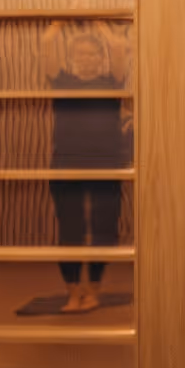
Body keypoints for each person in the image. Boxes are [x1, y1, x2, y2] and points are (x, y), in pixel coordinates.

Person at [44, 20, 128, 314]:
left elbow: (119, 47)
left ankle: (93, 289)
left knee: (104, 228)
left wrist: (98, 22)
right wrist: (60, 21)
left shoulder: (111, 81)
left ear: (100, 59)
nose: (86, 58)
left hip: (106, 165)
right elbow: (46, 44)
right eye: (80, 54)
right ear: (72, 58)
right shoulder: (62, 81)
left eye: (92, 54)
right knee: (70, 230)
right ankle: (73, 293)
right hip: (66, 164)